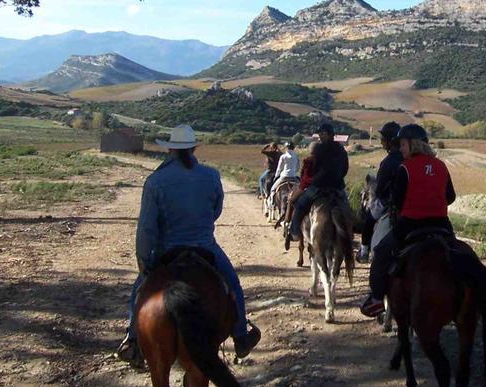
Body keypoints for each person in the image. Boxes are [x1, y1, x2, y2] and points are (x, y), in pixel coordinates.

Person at [117, 124, 262, 367]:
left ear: (170, 149)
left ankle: (133, 340)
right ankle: (240, 336)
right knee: (233, 285)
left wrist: (144, 261)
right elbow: (215, 211)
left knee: (139, 292)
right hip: (205, 246)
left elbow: (147, 228)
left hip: (167, 249)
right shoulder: (211, 175)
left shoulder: (155, 181)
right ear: (194, 148)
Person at [360, 123, 455, 317]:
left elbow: (397, 201)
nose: (401, 149)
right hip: (442, 225)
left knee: (381, 252)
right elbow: (451, 196)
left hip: (411, 223)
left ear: (414, 145)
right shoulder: (441, 166)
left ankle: (377, 300)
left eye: (403, 145)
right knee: (456, 254)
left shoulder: (406, 167)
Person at [287, 122, 349, 243]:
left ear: (331, 134)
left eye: (323, 133)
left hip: (319, 188)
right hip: (338, 188)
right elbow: (345, 169)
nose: (320, 135)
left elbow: (314, 170)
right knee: (347, 209)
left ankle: (294, 232)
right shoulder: (341, 150)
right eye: (320, 133)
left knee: (299, 206)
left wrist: (314, 180)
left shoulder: (320, 149)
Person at [358, 121, 402, 262]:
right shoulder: (407, 157)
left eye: (383, 138)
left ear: (390, 141)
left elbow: (380, 190)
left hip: (387, 202)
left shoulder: (388, 161)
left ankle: (364, 251)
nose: (381, 141)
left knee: (369, 221)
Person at [267, 141, 300, 209]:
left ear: (286, 148)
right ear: (293, 148)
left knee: (273, 189)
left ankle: (272, 203)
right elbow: (297, 168)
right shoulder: (296, 156)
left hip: (284, 177)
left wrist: (276, 176)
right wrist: (293, 172)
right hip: (293, 177)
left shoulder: (283, 156)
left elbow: (279, 168)